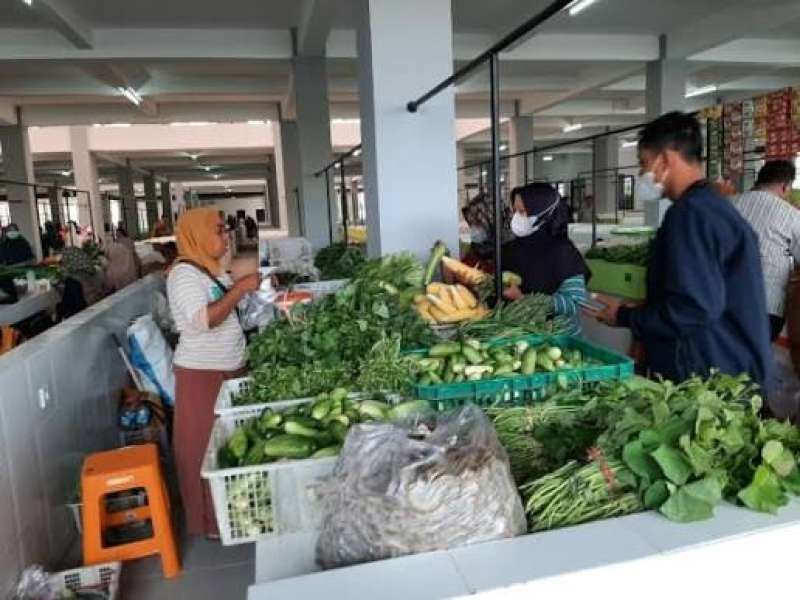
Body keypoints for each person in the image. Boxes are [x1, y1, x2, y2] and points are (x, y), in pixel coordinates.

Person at [585, 112, 773, 389]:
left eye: (643, 163)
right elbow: (701, 292)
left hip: (706, 373)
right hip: (733, 364)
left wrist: (626, 317)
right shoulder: (712, 207)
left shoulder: (689, 215)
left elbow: (694, 309)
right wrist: (648, 310)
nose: (641, 173)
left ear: (664, 160)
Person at [166, 208, 260, 538]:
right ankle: (209, 522)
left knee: (230, 446)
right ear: (198, 235)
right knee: (203, 449)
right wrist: (242, 288)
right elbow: (203, 320)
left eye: (225, 230)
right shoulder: (183, 275)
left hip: (228, 368)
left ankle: (233, 515)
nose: (225, 237)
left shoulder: (209, 270)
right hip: (202, 375)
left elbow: (229, 311)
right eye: (218, 231)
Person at [501, 182, 590, 335]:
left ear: (544, 214)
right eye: (515, 211)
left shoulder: (563, 252)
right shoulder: (510, 249)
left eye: (523, 212)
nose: (516, 217)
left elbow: (574, 302)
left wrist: (523, 298)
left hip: (557, 340)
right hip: (517, 335)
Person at [732, 160, 800, 341]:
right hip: (765, 307)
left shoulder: (728, 204)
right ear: (785, 187)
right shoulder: (790, 215)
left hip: (722, 302)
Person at [104, 227, 140, 292]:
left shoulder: (111, 271)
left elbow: (108, 288)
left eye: (117, 233)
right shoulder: (129, 264)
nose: (116, 235)